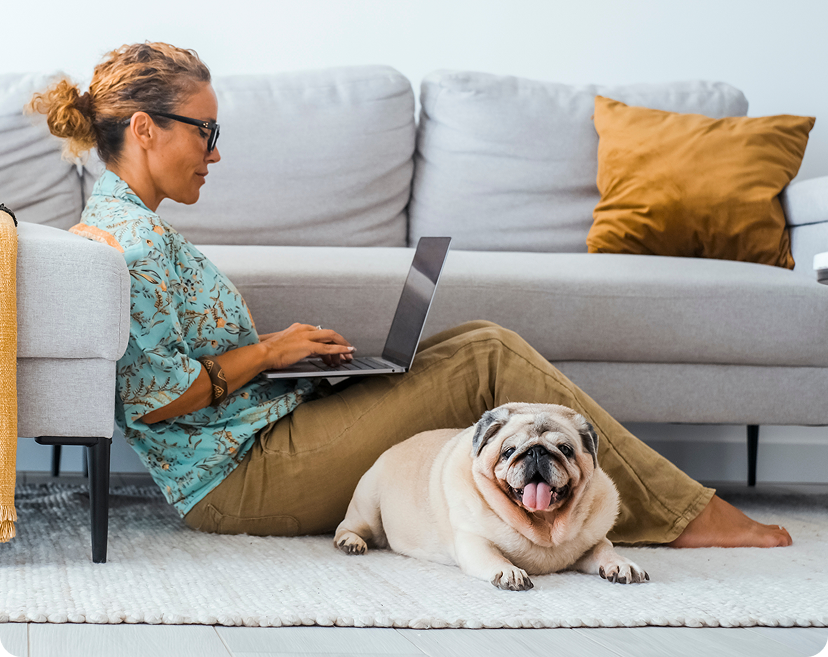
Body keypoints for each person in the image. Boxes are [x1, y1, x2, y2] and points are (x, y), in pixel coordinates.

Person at [29, 41, 791, 549]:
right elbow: (151, 403)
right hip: (238, 481)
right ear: (145, 129)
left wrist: (294, 365)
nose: (217, 150)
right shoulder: (127, 243)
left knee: (479, 336)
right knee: (489, 355)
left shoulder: (131, 227)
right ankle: (689, 516)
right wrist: (270, 352)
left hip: (262, 437)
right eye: (206, 130)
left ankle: (653, 509)